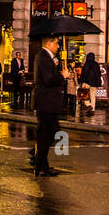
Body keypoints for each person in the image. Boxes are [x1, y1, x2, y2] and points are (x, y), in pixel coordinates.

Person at [32, 34, 65, 177]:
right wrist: (62, 76)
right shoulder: (43, 56)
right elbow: (48, 79)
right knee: (48, 134)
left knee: (48, 134)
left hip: (48, 103)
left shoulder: (46, 57)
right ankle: (40, 164)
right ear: (49, 44)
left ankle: (41, 164)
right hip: (46, 103)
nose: (58, 47)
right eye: (57, 44)